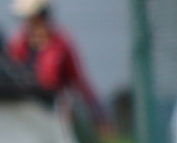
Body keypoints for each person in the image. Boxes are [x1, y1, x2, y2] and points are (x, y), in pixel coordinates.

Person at [5, 0, 106, 132]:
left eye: (33, 18)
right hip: (26, 115)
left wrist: (99, 116)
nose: (29, 24)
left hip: (55, 113)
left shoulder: (60, 44)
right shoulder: (19, 45)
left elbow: (78, 80)